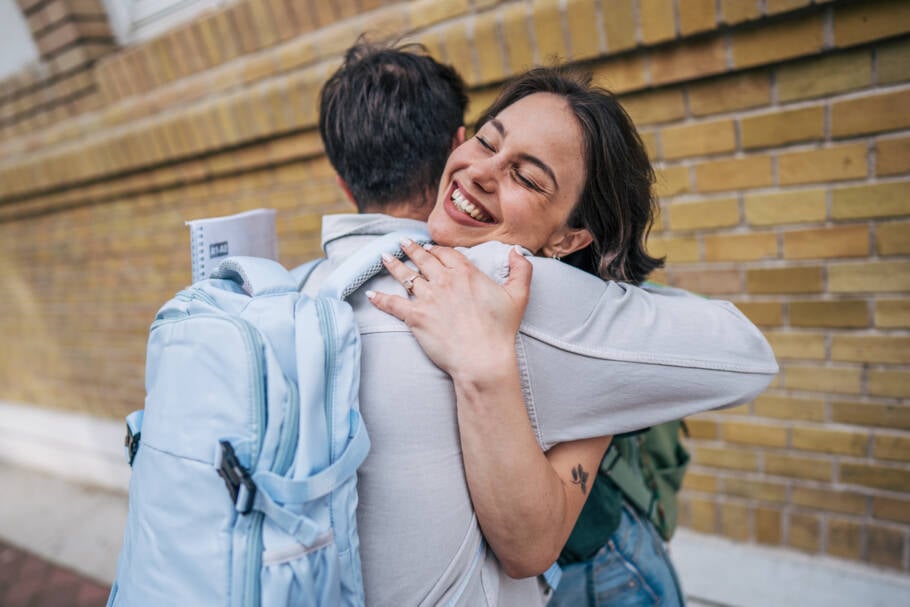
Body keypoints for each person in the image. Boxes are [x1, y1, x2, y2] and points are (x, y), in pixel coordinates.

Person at [305, 40, 777, 606]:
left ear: (570, 237)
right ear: (460, 140)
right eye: (487, 140)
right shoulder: (390, 275)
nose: (481, 171)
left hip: (606, 567)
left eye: (526, 177)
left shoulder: (558, 303)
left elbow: (750, 355)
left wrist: (500, 353)